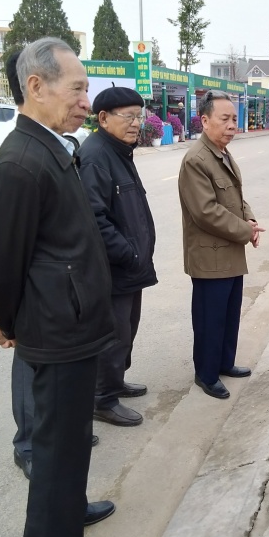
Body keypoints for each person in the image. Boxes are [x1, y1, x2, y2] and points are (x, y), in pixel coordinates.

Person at [0, 37, 115, 537]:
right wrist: (5, 320)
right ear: (36, 87)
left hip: (73, 324)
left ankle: (69, 511)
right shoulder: (21, 161)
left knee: (74, 439)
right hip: (57, 331)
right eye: (77, 89)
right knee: (56, 448)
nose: (85, 101)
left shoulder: (54, 147)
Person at [79, 87, 158, 428]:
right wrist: (129, 253)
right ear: (103, 118)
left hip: (130, 266)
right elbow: (94, 219)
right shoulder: (96, 155)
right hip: (114, 269)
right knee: (113, 336)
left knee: (127, 330)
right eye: (128, 117)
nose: (136, 124)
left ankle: (116, 382)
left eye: (138, 116)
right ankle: (102, 398)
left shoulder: (119, 151)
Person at [178, 90, 264, 400]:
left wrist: (250, 221)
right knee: (209, 320)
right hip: (209, 257)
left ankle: (224, 363)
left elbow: (235, 198)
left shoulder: (222, 153)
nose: (232, 125)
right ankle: (206, 373)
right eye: (224, 119)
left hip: (229, 252)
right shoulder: (196, 160)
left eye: (234, 119)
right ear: (205, 120)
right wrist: (245, 231)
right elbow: (206, 212)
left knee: (228, 315)